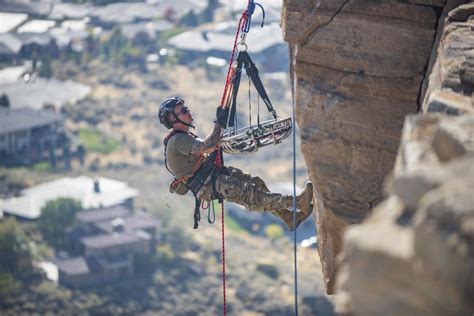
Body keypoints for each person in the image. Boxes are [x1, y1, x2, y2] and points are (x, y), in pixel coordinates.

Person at [159, 96, 313, 230]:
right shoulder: (177, 140)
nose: (188, 111)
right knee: (253, 197)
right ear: (173, 119)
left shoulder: (184, 136)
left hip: (213, 177)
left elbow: (207, 146)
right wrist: (219, 123)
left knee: (256, 183)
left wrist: (219, 125)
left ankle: (288, 217)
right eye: (183, 111)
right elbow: (207, 146)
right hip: (209, 185)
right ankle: (298, 203)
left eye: (186, 108)